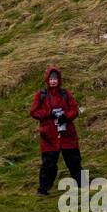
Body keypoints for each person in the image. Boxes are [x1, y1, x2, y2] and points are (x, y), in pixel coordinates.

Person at [29, 66, 82, 195]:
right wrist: (49, 113)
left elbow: (75, 110)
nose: (53, 81)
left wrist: (65, 116)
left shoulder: (65, 94)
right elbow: (34, 112)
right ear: (47, 79)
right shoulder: (41, 95)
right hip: (49, 136)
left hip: (67, 134)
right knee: (48, 165)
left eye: (55, 79)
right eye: (51, 79)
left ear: (59, 80)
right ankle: (43, 190)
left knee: (75, 161)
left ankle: (84, 185)